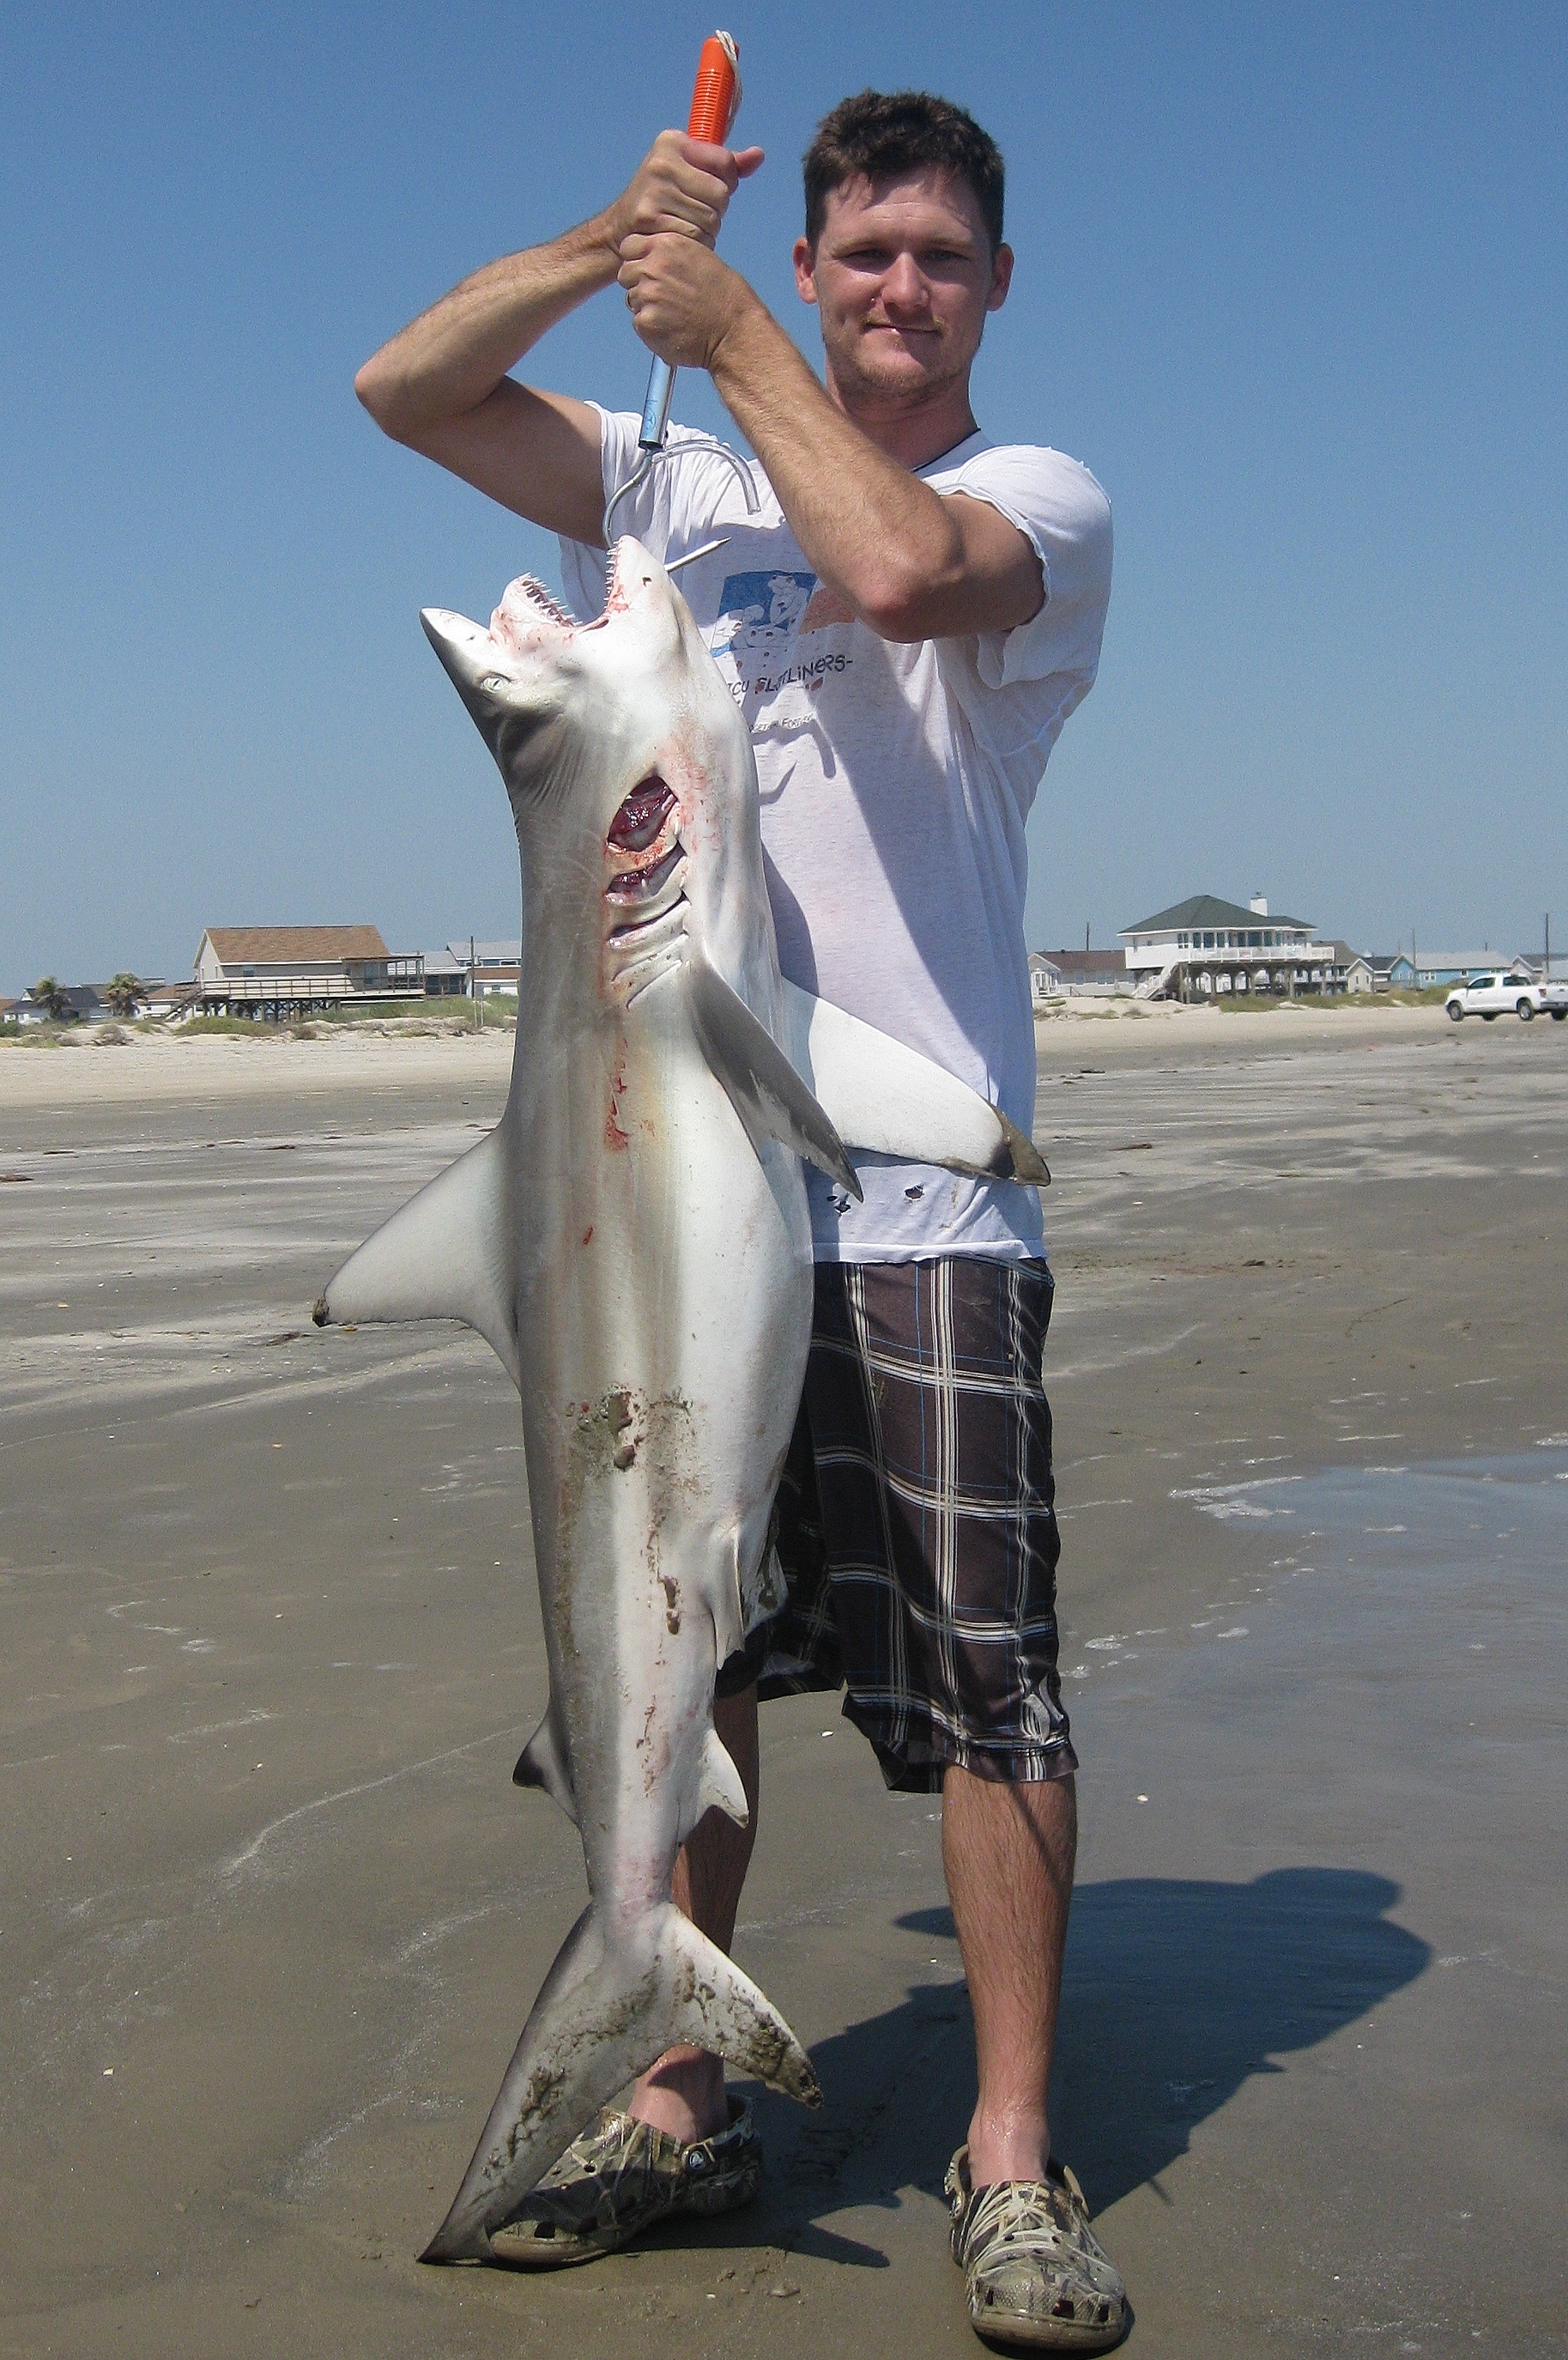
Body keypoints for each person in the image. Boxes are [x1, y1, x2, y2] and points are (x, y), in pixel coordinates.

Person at [355, 88, 1123, 2352]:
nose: (899, 287)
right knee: (694, 1659)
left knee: (990, 1683)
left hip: (922, 1204)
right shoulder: (665, 482)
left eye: (938, 258)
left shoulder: (1038, 499)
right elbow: (406, 390)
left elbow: (892, 575)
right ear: (805, 263)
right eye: (859, 252)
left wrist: (727, 340)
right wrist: (611, 242)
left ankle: (1008, 2158)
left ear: (994, 286)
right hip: (663, 1214)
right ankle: (668, 2092)